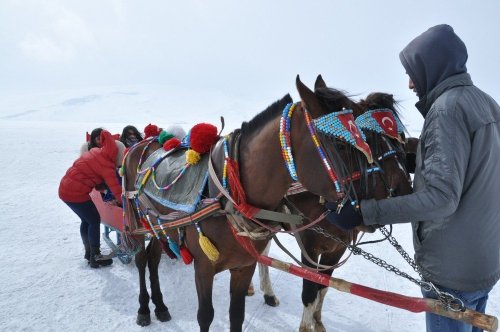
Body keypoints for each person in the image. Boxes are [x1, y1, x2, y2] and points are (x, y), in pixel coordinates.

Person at [326, 24, 500, 332]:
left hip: (452, 272)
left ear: (432, 67)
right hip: (484, 261)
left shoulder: (446, 111)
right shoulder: (486, 103)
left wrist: (363, 212)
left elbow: (441, 199)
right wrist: (416, 161)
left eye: (413, 73)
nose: (409, 84)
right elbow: (475, 170)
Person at [59, 130, 126, 268]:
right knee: (94, 220)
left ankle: (89, 252)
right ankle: (96, 256)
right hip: (75, 194)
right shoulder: (107, 165)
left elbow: (89, 173)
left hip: (65, 189)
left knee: (86, 220)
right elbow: (116, 188)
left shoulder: (94, 152)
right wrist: (124, 203)